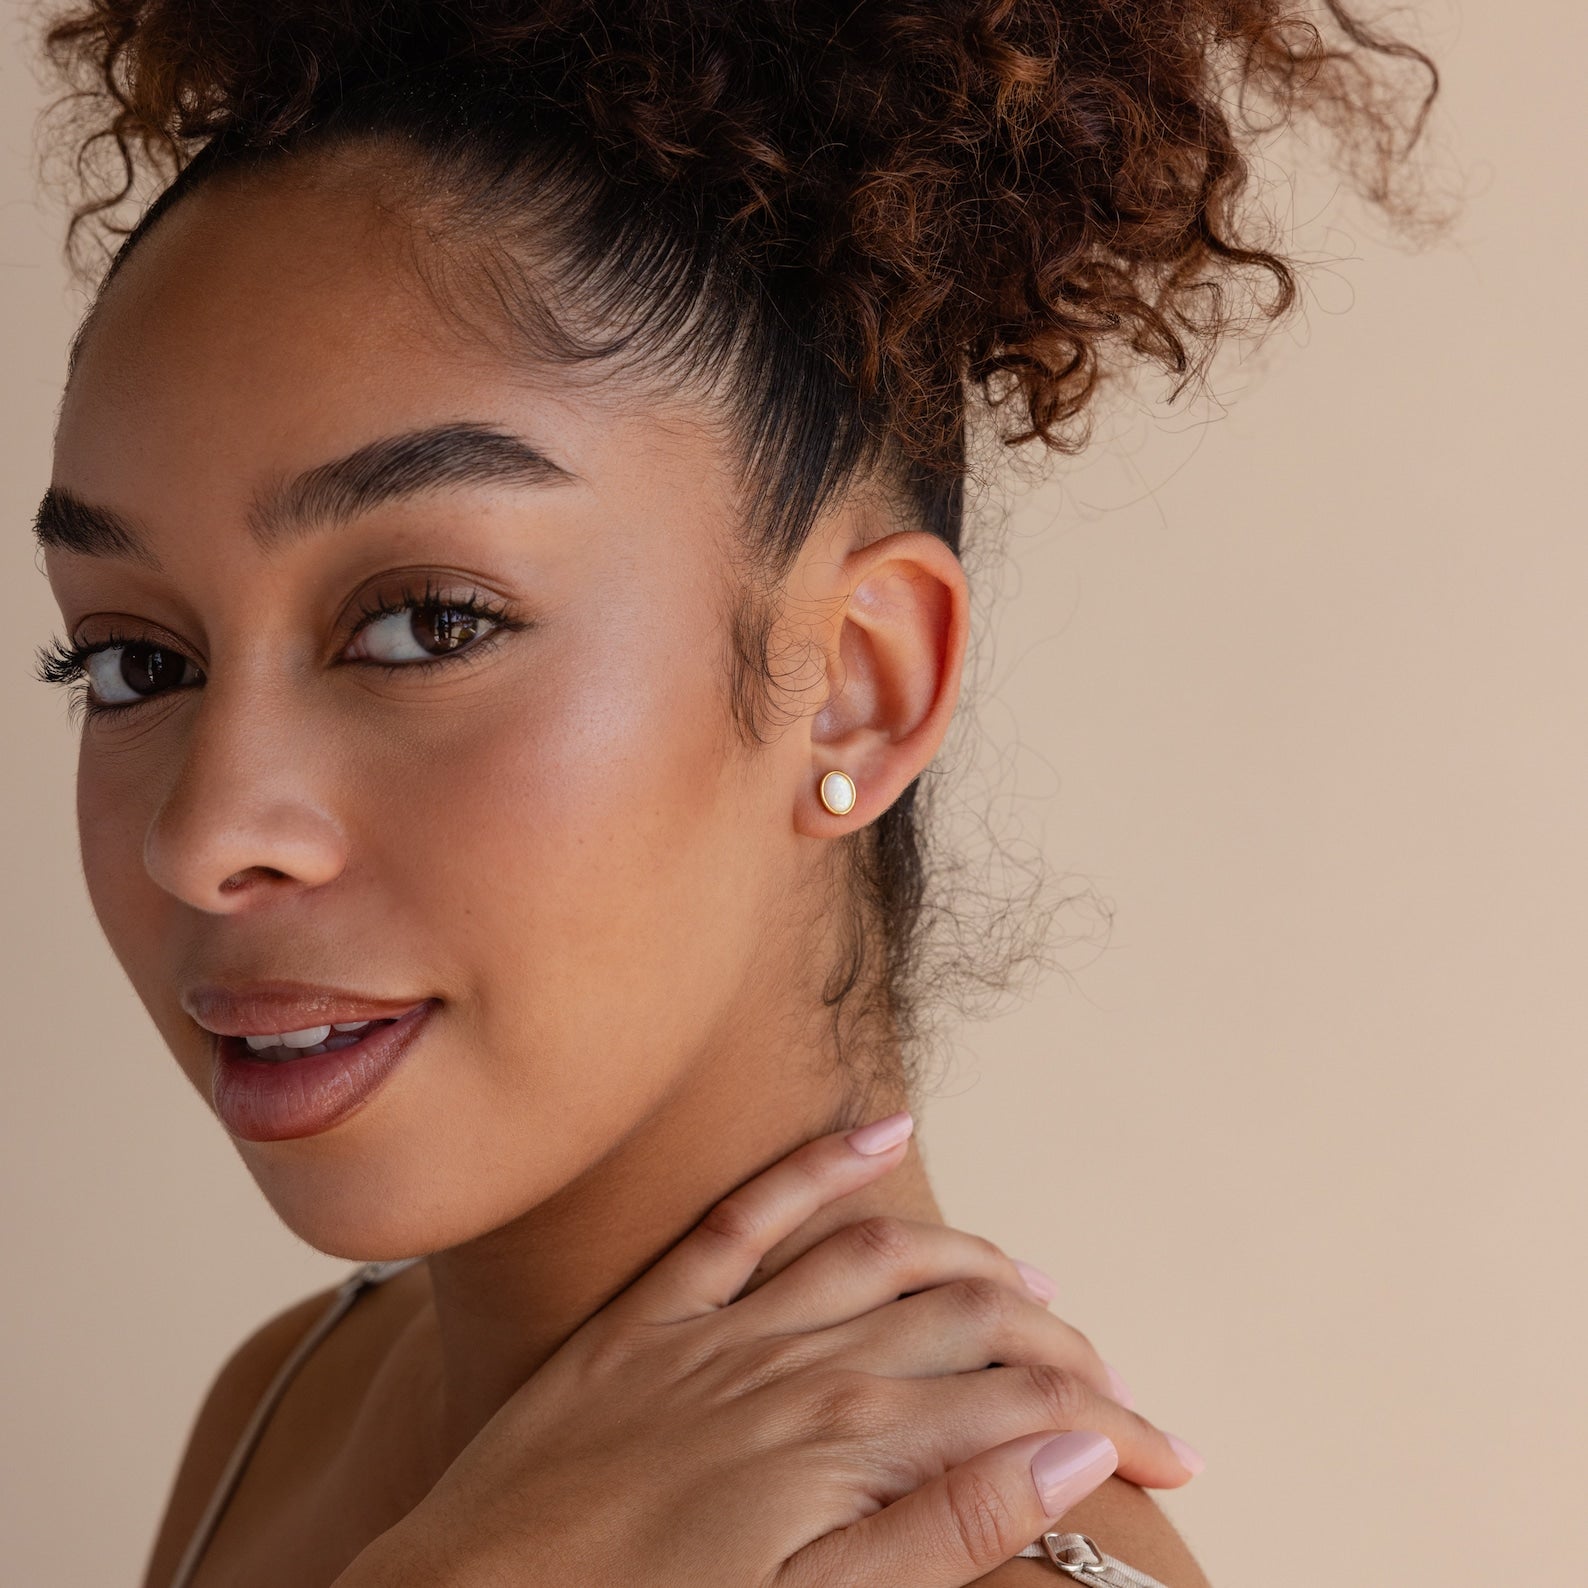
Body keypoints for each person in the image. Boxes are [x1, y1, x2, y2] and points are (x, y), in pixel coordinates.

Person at [27, 2, 1436, 1583]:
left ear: (855, 678)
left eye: (427, 625)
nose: (205, 837)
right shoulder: (294, 1398)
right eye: (134, 662)